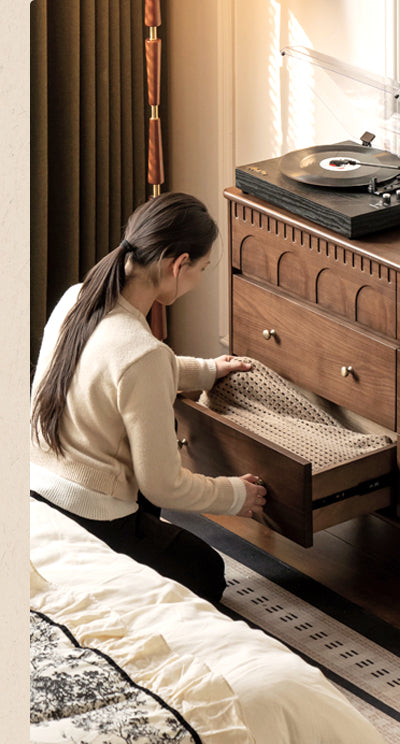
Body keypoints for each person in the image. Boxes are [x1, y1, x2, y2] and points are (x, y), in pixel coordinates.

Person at [30, 192, 268, 605]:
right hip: (91, 513)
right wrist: (234, 495)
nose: (199, 279)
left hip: (36, 488)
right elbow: (163, 487)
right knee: (207, 572)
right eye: (202, 269)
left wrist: (208, 370)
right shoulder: (143, 354)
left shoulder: (76, 298)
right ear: (179, 264)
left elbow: (117, 371)